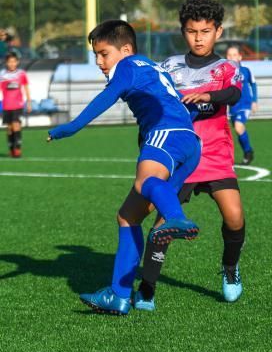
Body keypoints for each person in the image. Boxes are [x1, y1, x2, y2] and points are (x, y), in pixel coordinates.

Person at [47, 19, 202, 315]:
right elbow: (177, 102)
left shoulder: (128, 66)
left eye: (104, 54)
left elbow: (105, 98)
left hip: (166, 135)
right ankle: (118, 296)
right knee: (128, 216)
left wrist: (70, 127)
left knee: (146, 183)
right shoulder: (152, 67)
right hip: (190, 143)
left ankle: (177, 217)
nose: (98, 62)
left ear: (126, 49)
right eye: (95, 55)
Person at [134, 0, 246, 310]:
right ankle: (147, 289)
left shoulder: (226, 69)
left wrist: (208, 94)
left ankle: (230, 270)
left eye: (206, 31)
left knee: (235, 217)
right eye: (191, 31)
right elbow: (153, 104)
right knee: (163, 225)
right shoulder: (169, 67)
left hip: (215, 156)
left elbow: (234, 94)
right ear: (183, 31)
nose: (198, 37)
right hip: (179, 158)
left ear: (218, 32)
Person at [227, 45, 258, 165]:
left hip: (245, 105)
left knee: (239, 127)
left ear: (239, 57)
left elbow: (253, 84)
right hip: (233, 107)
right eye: (229, 55)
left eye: (234, 55)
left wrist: (254, 100)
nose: (231, 57)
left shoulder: (246, 70)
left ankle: (248, 152)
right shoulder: (224, 72)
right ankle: (247, 152)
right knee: (238, 130)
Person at [0, 52, 31, 157]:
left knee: (16, 125)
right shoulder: (2, 74)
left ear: (17, 62)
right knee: (9, 128)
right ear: (6, 63)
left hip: (17, 105)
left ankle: (17, 149)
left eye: (14, 61)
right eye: (10, 62)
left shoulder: (21, 74)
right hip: (6, 105)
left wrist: (29, 102)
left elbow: (26, 88)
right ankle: (11, 148)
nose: (12, 64)